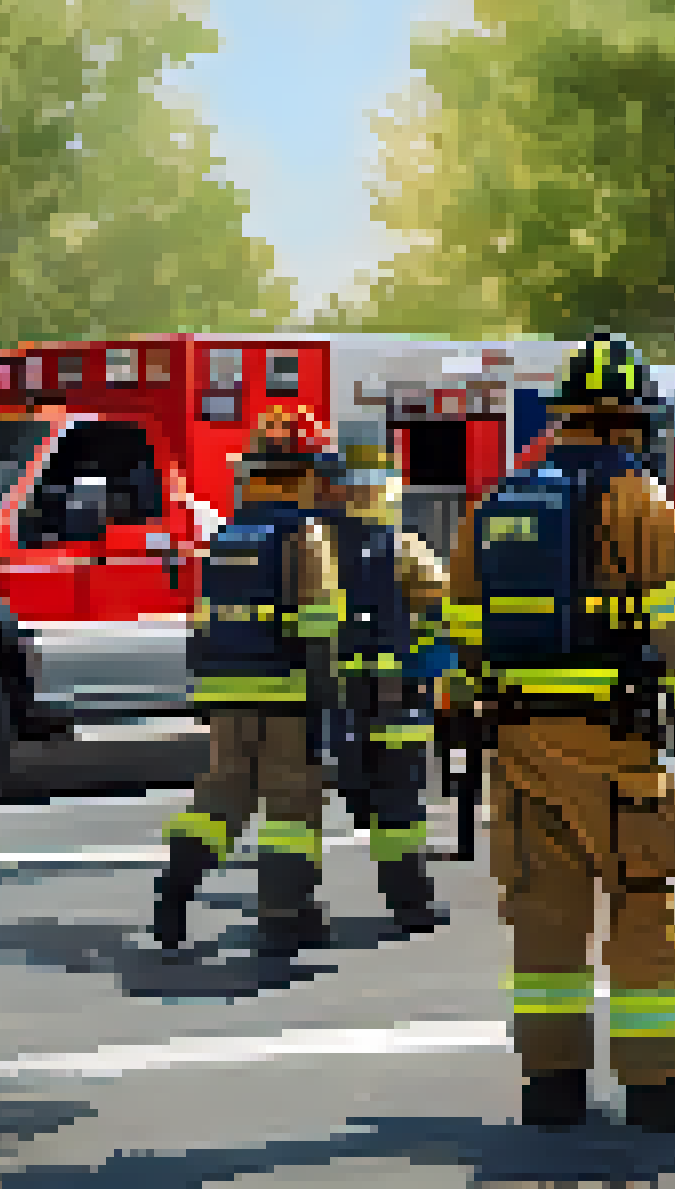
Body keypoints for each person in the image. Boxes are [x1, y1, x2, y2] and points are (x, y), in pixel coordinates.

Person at [444, 331, 675, 1132]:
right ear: (629, 422)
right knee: (641, 905)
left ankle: (553, 1083)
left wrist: (467, 713)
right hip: (611, 747)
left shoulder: (497, 505)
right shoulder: (638, 503)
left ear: (567, 416)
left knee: (544, 916)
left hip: (515, 746)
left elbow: (462, 629)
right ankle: (654, 1086)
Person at [156, 406, 345, 958]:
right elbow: (318, 627)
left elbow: (202, 621)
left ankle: (175, 887)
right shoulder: (304, 537)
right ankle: (286, 916)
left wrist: (203, 691)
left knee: (222, 797)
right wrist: (324, 701)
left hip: (224, 691)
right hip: (287, 693)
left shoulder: (226, 537)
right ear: (304, 473)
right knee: (292, 804)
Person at [315, 422, 454, 933]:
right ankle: (411, 904)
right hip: (395, 696)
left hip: (330, 699)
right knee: (400, 801)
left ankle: (289, 910)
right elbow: (446, 614)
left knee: (350, 794)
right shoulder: (403, 549)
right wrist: (431, 670)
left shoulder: (311, 545)